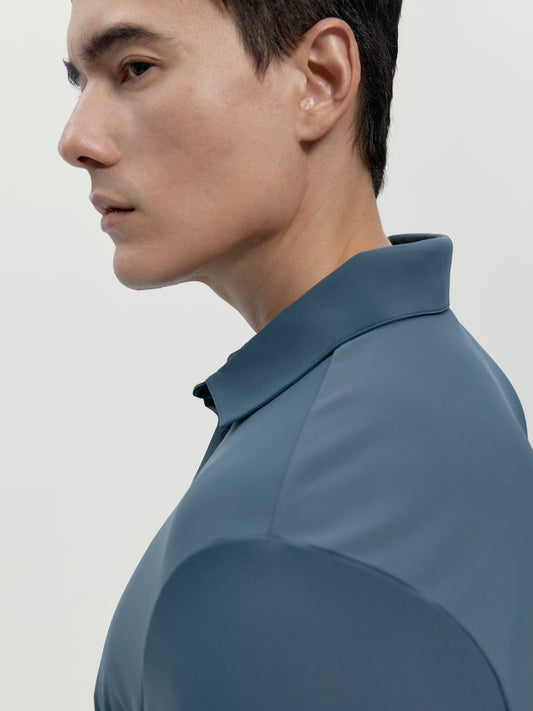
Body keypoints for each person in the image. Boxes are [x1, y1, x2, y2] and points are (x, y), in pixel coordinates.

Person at [58, 0, 533, 709]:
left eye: (134, 68)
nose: (76, 139)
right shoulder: (434, 374)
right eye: (79, 81)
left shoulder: (281, 543)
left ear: (320, 78)